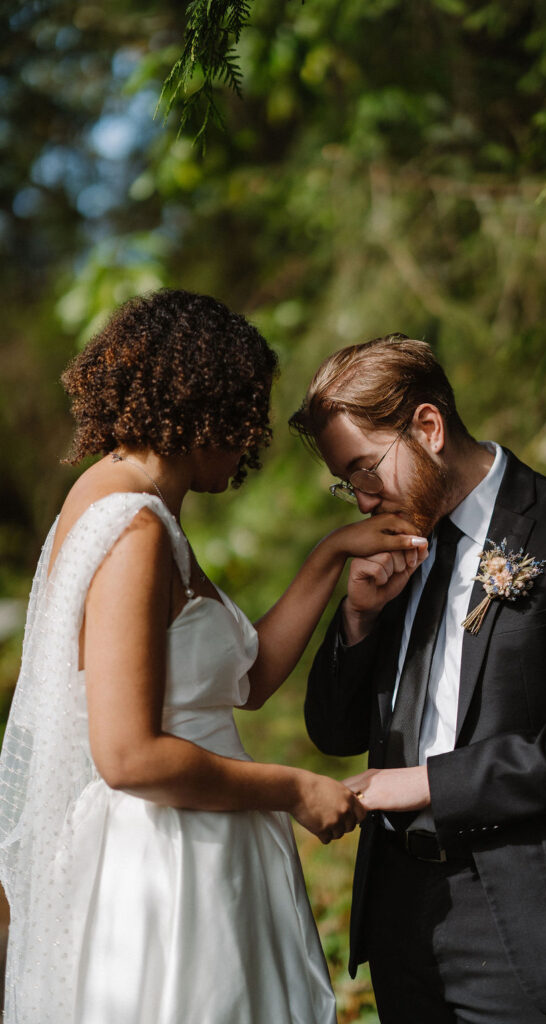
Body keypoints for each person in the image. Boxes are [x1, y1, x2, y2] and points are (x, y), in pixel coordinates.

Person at [0, 292, 428, 1024]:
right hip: (165, 865)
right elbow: (128, 755)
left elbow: (248, 679)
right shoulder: (132, 527)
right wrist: (292, 788)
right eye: (248, 412)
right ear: (206, 405)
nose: (252, 437)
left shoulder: (133, 500)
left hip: (197, 841)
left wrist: (328, 559)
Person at [289, 333, 546, 1024]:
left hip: (534, 928)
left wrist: (431, 782)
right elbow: (333, 730)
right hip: (404, 924)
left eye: (367, 469)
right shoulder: (394, 552)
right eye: (350, 482)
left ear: (427, 427)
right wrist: (357, 620)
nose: (363, 500)